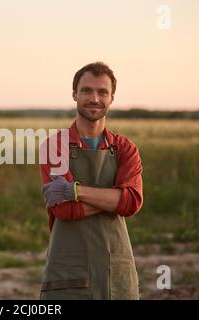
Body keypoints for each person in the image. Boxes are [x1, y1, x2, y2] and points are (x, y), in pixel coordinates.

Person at [39, 62, 143, 300]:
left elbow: (132, 203)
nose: (94, 98)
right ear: (74, 94)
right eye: (86, 91)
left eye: (102, 92)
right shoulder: (55, 147)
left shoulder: (126, 148)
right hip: (68, 274)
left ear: (112, 98)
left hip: (117, 271)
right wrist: (114, 197)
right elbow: (64, 209)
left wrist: (74, 190)